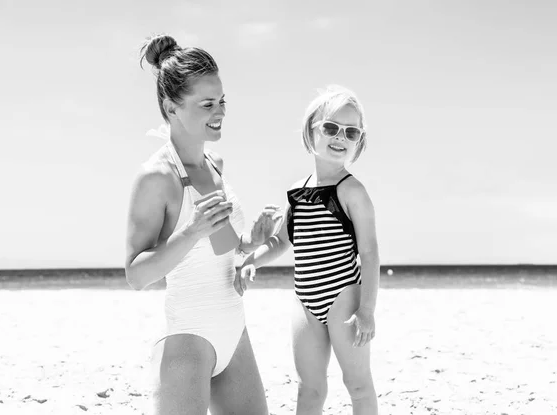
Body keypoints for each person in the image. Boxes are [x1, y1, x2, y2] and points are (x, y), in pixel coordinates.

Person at [125, 34, 279, 415]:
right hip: (187, 341)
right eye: (207, 103)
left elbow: (220, 246)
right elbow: (136, 275)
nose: (220, 111)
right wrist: (191, 230)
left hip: (234, 333)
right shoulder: (156, 178)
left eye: (222, 101)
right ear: (171, 107)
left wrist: (249, 242)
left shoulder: (215, 164)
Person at [235, 85, 380, 414]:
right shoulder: (299, 192)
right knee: (309, 387)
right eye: (330, 127)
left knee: (358, 384)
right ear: (310, 132)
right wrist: (250, 261)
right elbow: (282, 241)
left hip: (344, 296)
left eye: (351, 131)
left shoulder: (352, 190)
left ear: (359, 141)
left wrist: (367, 311)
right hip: (306, 300)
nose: (340, 137)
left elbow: (370, 254)